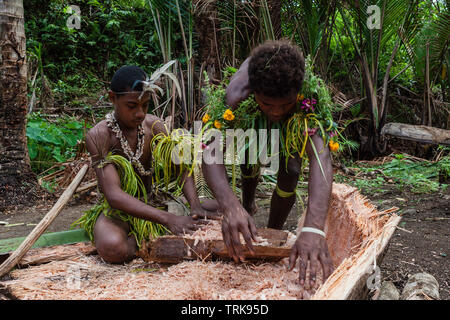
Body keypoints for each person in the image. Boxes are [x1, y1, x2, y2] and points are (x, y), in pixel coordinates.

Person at [201, 40, 336, 287]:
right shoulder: (237, 96)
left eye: (284, 104)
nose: (275, 112)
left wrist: (314, 229)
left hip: (293, 122)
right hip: (251, 122)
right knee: (251, 160)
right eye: (268, 104)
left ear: (298, 94)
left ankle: (272, 232)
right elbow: (208, 150)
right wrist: (230, 206)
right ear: (253, 94)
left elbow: (322, 158)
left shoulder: (307, 101)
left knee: (292, 170)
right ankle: (247, 205)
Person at [76, 65, 217, 264]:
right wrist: (169, 220)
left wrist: (194, 204)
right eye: (131, 106)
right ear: (112, 98)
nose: (140, 113)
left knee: (220, 209)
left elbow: (180, 168)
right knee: (112, 248)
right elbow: (113, 195)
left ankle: (161, 236)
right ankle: (155, 240)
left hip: (154, 202)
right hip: (119, 212)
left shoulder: (155, 126)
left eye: (145, 105)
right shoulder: (99, 136)